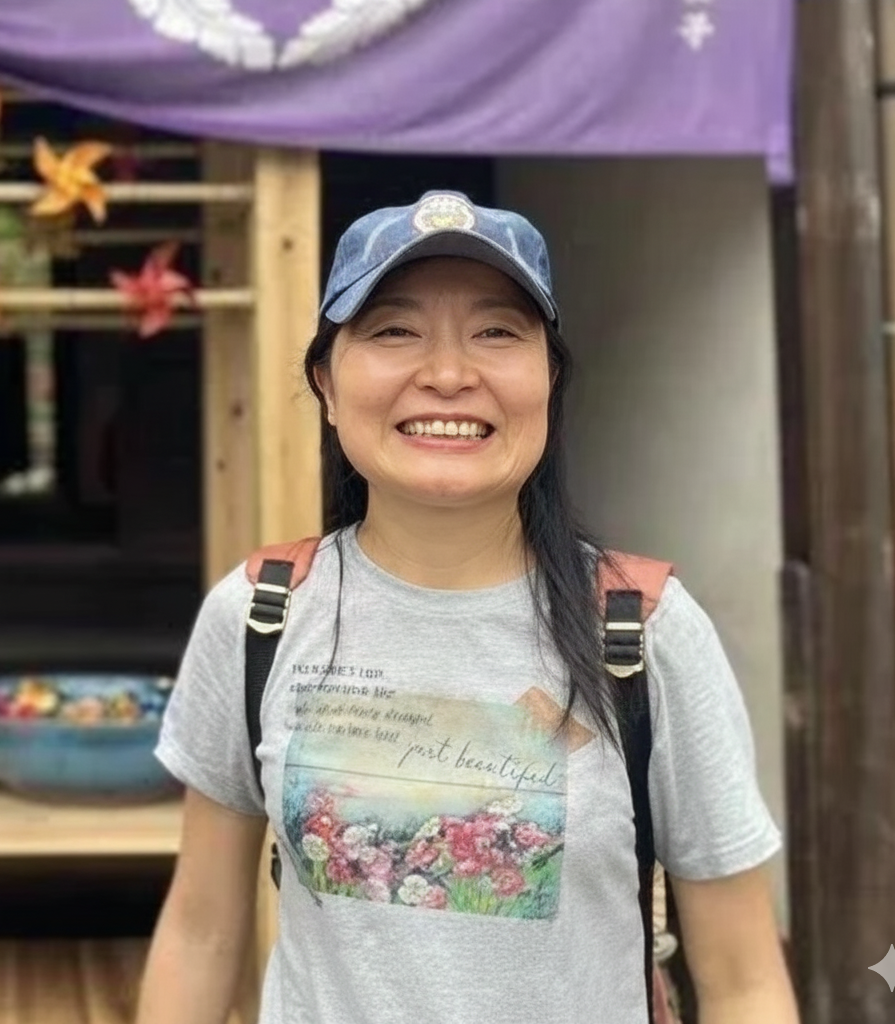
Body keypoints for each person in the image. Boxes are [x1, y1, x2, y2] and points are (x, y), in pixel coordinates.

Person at [136, 190, 799, 1024]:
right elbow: (201, 931)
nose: (449, 375)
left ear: (549, 379)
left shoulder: (641, 629)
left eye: (496, 333)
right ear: (326, 384)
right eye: (393, 332)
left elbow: (742, 977)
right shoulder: (260, 617)